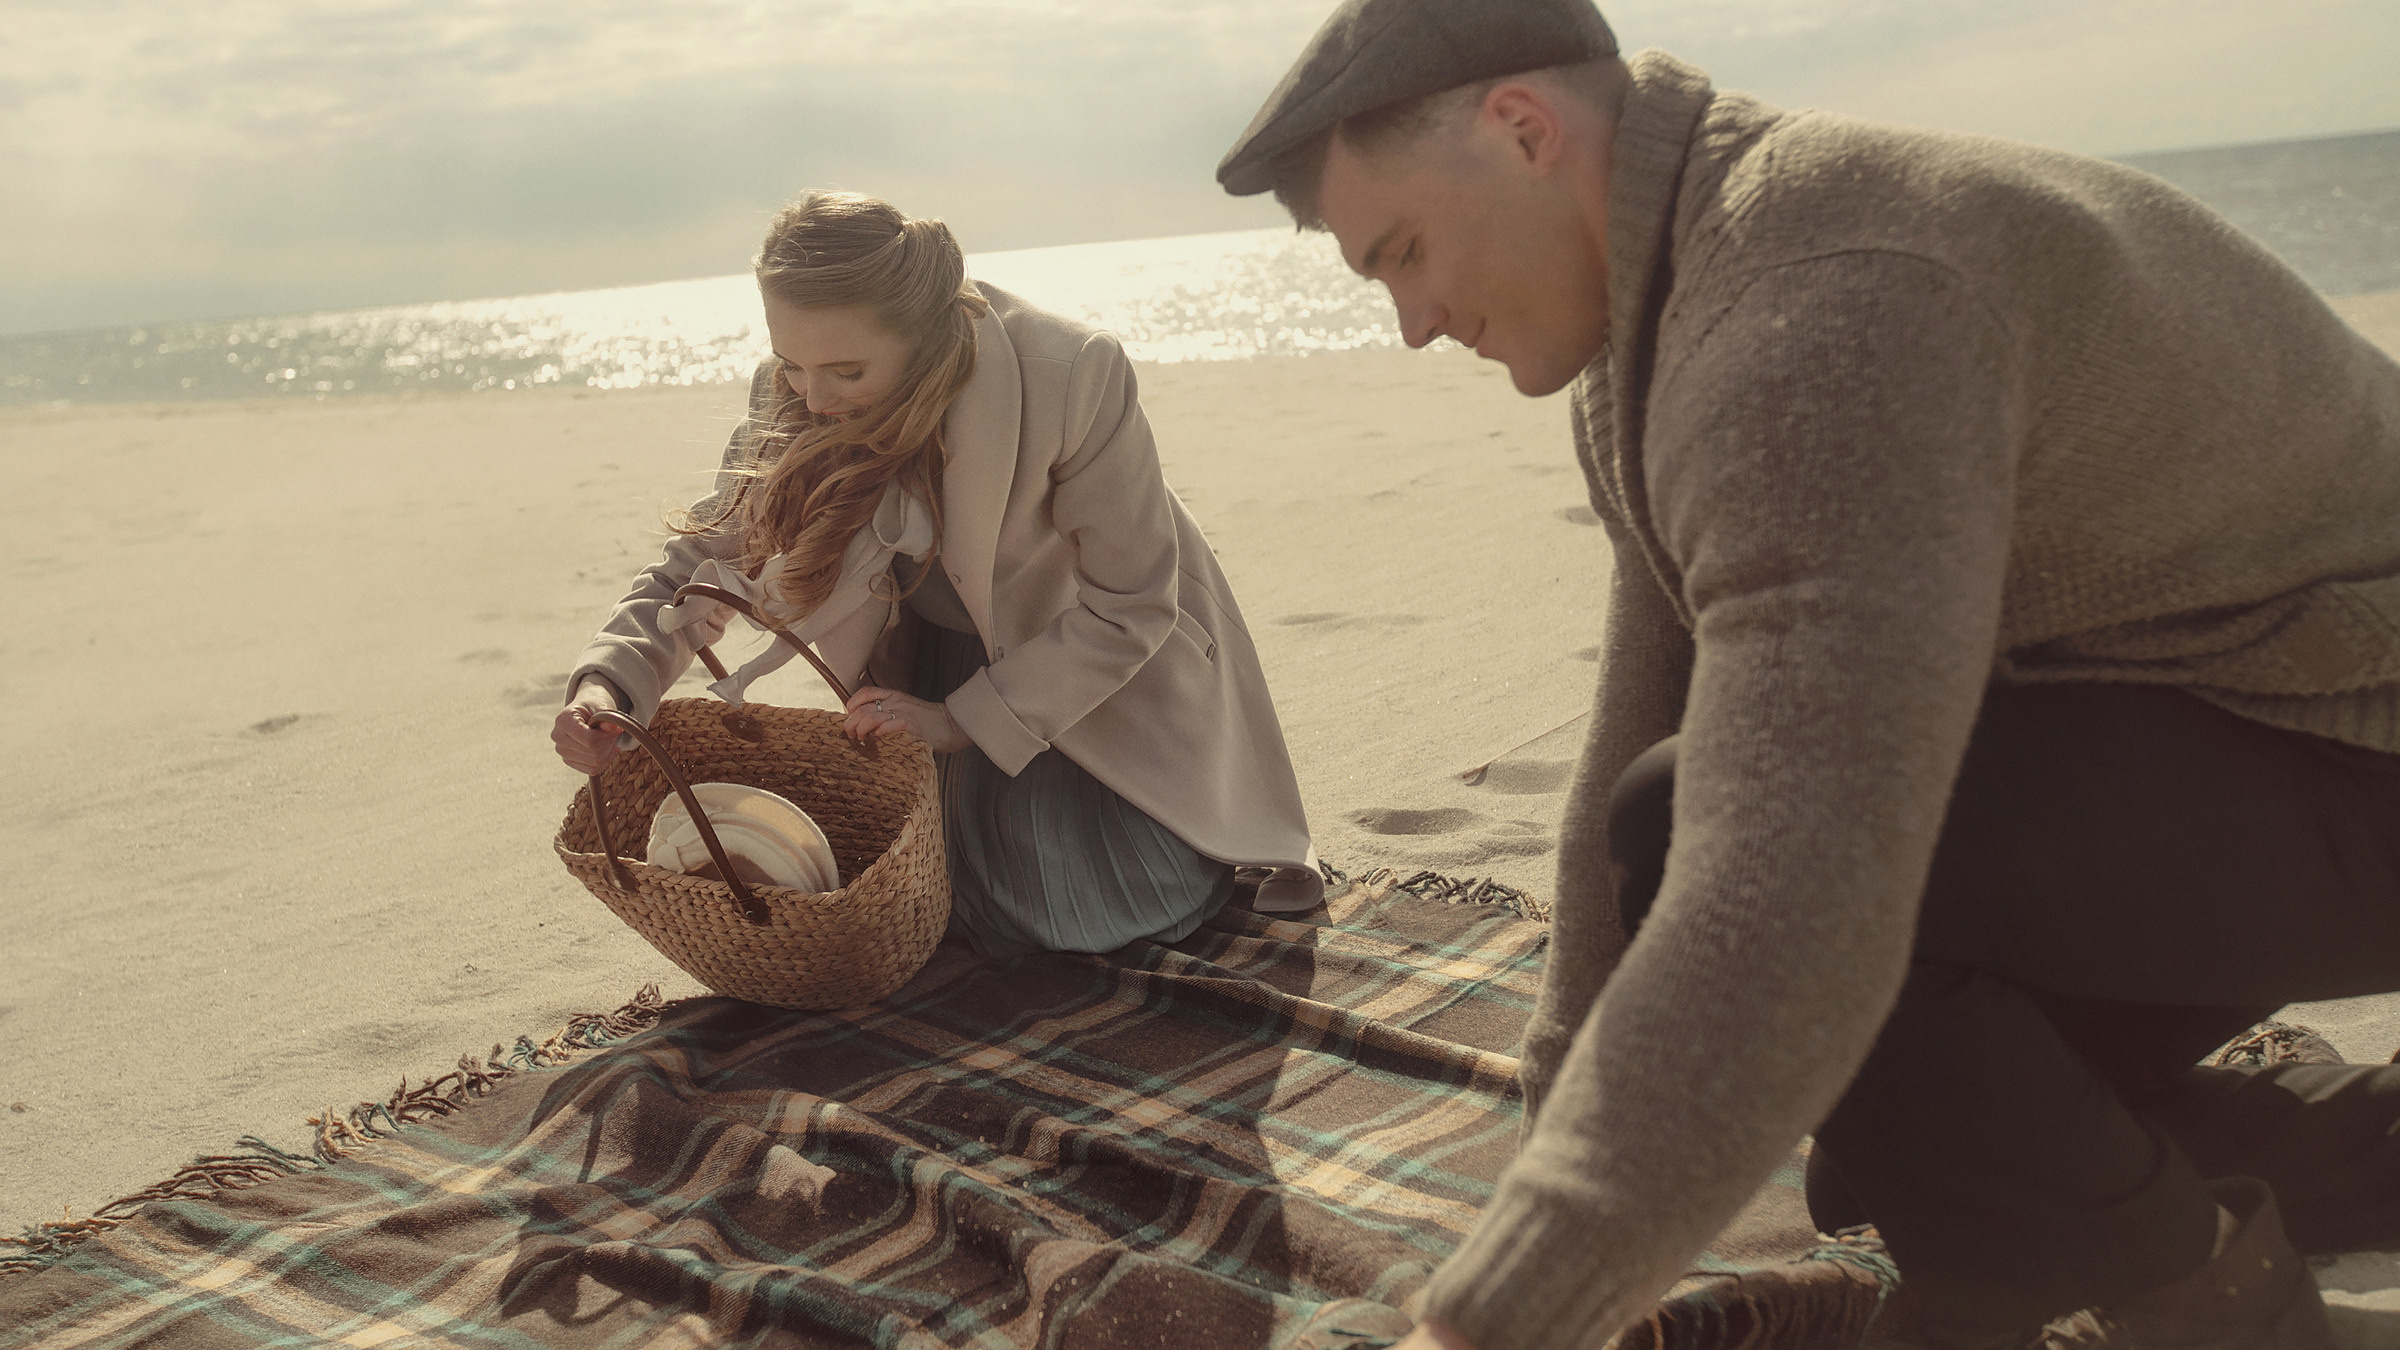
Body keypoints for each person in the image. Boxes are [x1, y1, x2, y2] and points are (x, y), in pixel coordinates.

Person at [1216, 0, 2400, 1347]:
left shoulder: (1817, 300)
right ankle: (2364, 1146)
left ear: (1526, 129)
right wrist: (1560, 1091)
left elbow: (1787, 886)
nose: (1415, 323)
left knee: (1755, 902)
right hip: (2218, 712)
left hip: (2355, 739)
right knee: (1885, 1143)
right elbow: (1643, 708)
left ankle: (2238, 1322)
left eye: (1408, 251)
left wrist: (1487, 1325)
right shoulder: (1667, 308)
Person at [553, 191, 1324, 959]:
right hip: (919, 668)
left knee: (1071, 910)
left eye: (847, 370)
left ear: (925, 338)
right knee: (870, 883)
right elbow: (701, 560)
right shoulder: (795, 391)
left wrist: (961, 720)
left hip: (1097, 674)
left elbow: (1133, 606)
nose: (814, 398)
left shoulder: (1074, 374)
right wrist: (611, 687)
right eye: (791, 364)